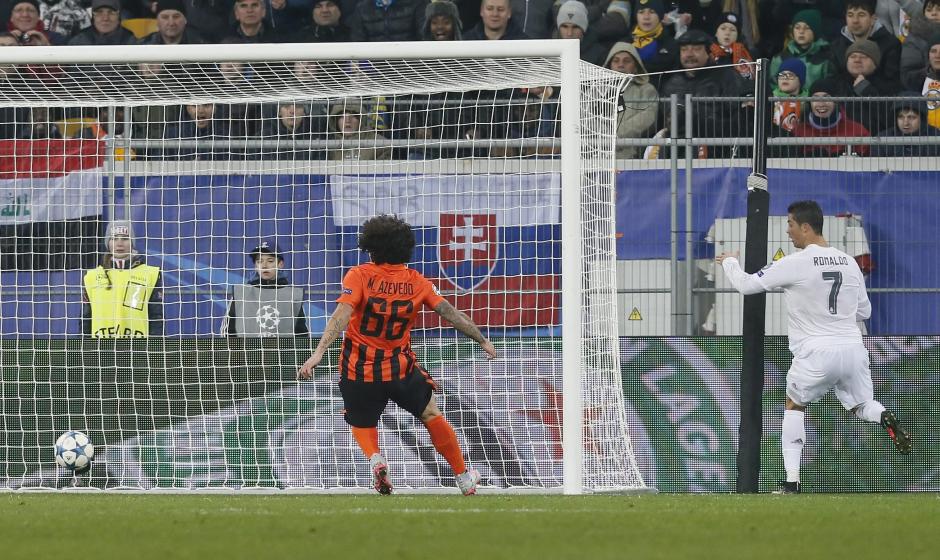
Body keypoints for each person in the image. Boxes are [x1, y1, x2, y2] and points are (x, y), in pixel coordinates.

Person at [716, 200, 913, 494]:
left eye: (791, 225)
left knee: (794, 406)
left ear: (806, 228)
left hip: (816, 352)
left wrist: (730, 261)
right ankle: (884, 415)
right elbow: (866, 312)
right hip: (853, 349)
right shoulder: (849, 262)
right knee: (862, 405)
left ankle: (792, 482)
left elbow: (747, 285)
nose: (788, 232)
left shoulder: (796, 263)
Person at [298, 214, 497, 495]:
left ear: (371, 247)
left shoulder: (359, 275)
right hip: (400, 368)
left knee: (362, 420)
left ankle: (376, 459)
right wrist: (482, 340)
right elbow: (450, 314)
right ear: (405, 247)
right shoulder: (418, 282)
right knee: (430, 413)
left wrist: (318, 353)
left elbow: (342, 314)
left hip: (359, 367)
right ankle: (463, 477)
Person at [82, 221, 163, 338]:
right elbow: (85, 319)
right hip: (102, 350)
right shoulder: (91, 276)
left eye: (125, 238)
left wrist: (156, 349)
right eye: (114, 239)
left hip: (138, 350)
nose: (119, 243)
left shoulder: (150, 274)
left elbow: (156, 317)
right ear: (108, 243)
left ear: (132, 242)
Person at [222, 241, 309, 337]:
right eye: (260, 261)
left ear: (280, 264)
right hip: (248, 352)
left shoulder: (291, 295)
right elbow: (228, 332)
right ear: (255, 266)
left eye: (270, 261)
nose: (264, 265)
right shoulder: (242, 294)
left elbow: (302, 334)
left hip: (283, 352)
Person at [604, 41, 658, 159]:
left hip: (632, 156)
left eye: (627, 61)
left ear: (635, 67)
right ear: (609, 65)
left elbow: (648, 117)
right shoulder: (596, 90)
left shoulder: (647, 90)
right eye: (616, 61)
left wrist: (615, 135)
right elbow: (585, 117)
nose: (621, 65)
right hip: (596, 154)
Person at [769, 9, 835, 91]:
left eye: (807, 28)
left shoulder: (825, 59)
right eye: (797, 27)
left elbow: (829, 89)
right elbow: (773, 86)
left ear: (815, 31)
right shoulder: (780, 58)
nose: (801, 32)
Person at [68, 0, 138, 45]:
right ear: (93, 16)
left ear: (119, 16)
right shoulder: (78, 42)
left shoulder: (131, 42)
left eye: (111, 12)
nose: (105, 18)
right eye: (99, 12)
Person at [463, 0, 528, 40]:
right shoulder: (465, 41)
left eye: (500, 9)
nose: (495, 14)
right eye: (489, 8)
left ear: (509, 13)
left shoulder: (525, 43)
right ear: (481, 11)